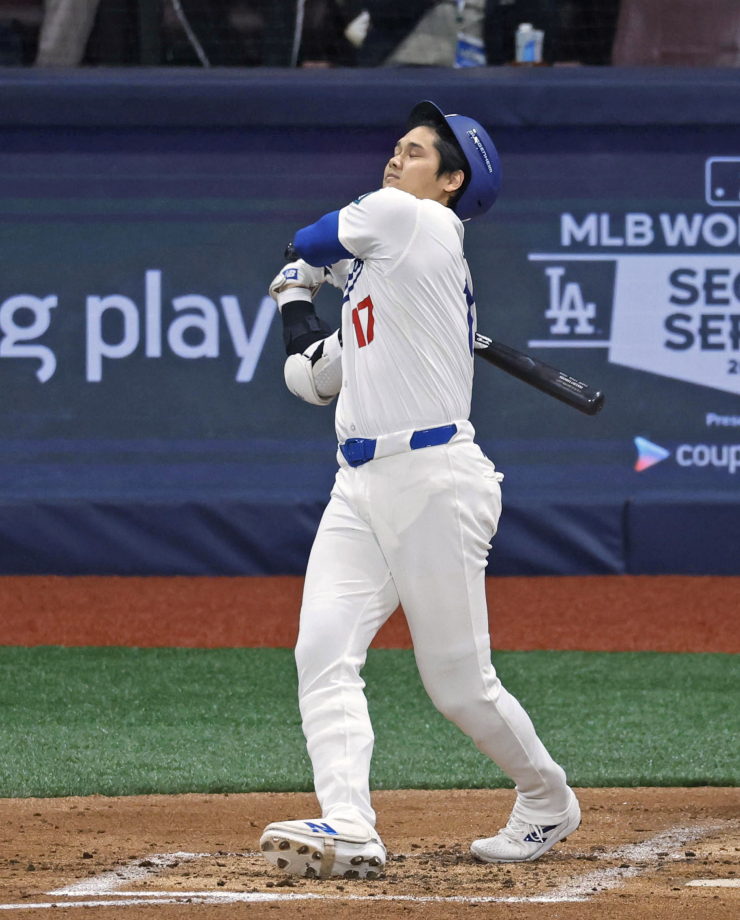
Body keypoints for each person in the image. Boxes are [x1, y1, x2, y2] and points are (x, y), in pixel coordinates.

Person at [258, 101, 581, 881]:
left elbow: (312, 238)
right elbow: (314, 378)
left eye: (412, 152)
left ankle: (547, 799)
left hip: (436, 478)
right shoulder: (385, 277)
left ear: (451, 180)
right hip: (359, 486)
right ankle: (349, 823)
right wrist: (299, 299)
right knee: (322, 650)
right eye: (395, 150)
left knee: (459, 686)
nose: (394, 160)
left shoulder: (417, 222)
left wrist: (312, 264)